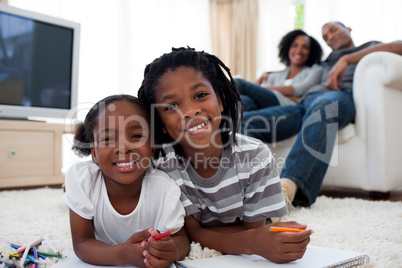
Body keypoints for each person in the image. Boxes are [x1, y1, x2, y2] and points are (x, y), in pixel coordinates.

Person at [138, 47, 313, 264]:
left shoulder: (256, 156)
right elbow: (194, 233)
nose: (190, 111)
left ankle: (287, 189)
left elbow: (253, 229)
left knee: (282, 205)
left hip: (258, 196)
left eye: (200, 95)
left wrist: (249, 235)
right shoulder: (165, 167)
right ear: (161, 124)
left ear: (220, 101)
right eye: (171, 106)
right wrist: (251, 241)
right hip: (239, 209)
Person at [241, 21, 402, 207]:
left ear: (348, 29)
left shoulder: (369, 47)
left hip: (339, 98)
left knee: (323, 104)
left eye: (333, 30)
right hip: (303, 105)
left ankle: (287, 189)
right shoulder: (324, 63)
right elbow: (297, 72)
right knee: (247, 121)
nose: (330, 37)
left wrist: (347, 59)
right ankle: (250, 188)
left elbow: (399, 46)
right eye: (325, 37)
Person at [63, 94, 189, 268]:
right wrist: (122, 254)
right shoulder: (83, 179)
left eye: (136, 136)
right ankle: (69, 197)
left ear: (152, 147)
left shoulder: (165, 189)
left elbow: (182, 239)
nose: (123, 148)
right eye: (107, 139)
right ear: (94, 153)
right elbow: (82, 243)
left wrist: (172, 250)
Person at [235, 29, 323, 110]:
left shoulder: (315, 70)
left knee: (239, 83)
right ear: (288, 48)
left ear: (311, 51)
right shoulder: (273, 76)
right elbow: (263, 94)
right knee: (243, 101)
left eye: (305, 47)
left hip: (287, 108)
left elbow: (300, 89)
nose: (299, 51)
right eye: (295, 45)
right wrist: (293, 98)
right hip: (265, 107)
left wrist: (265, 89)